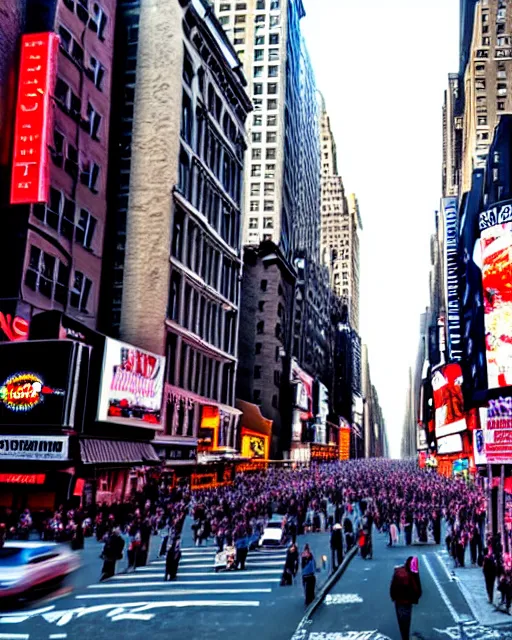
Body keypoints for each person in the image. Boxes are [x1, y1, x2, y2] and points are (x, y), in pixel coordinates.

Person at [390, 556, 422, 640]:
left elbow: (392, 586)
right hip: (407, 601)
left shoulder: (398, 571)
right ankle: (405, 637)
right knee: (406, 621)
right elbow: (417, 587)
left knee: (400, 620)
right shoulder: (412, 574)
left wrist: (393, 597)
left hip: (398, 600)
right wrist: (416, 597)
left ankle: (403, 636)